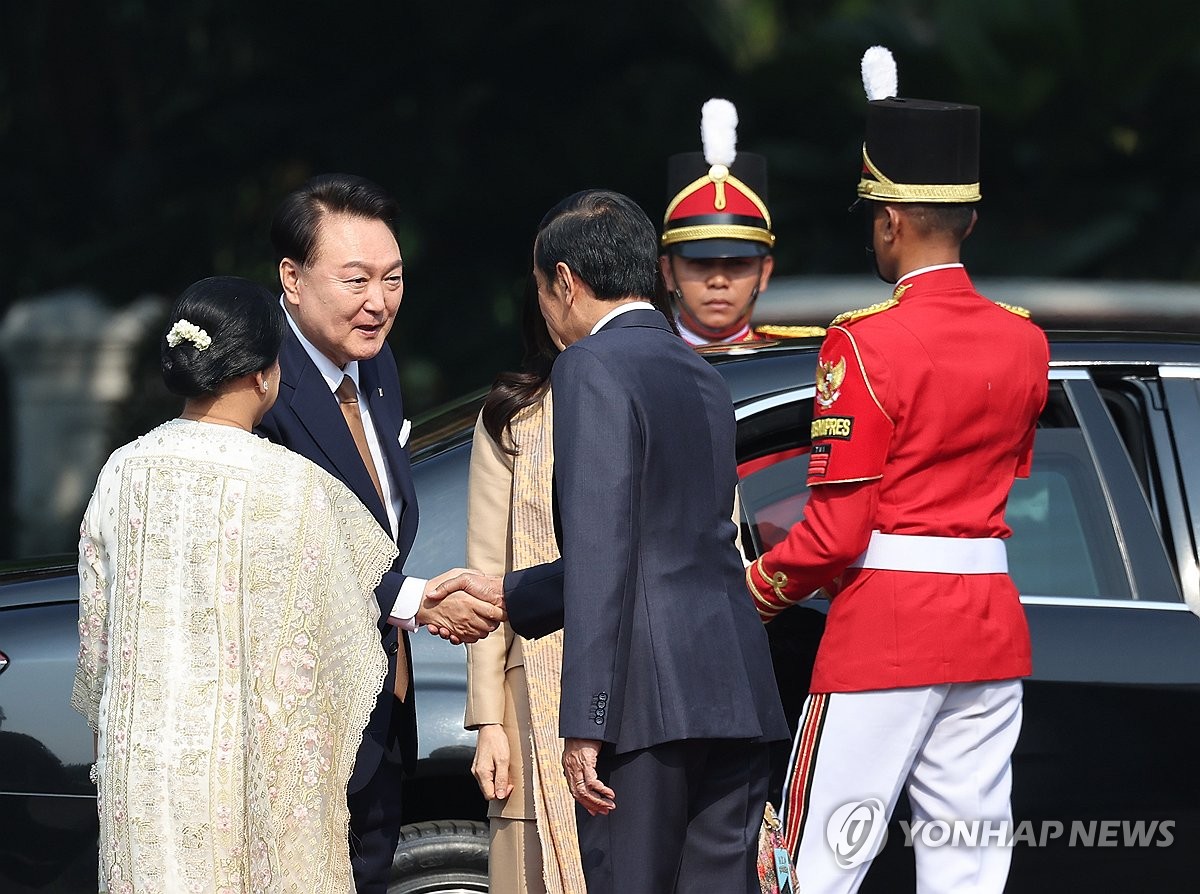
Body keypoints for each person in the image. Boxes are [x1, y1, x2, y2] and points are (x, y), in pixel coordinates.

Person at [744, 47, 1050, 893]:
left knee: (815, 869)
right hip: (988, 624)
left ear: (888, 221)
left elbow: (837, 533)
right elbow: (1003, 476)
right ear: (970, 220)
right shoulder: (1026, 340)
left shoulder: (863, 340)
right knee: (968, 872)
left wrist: (754, 589)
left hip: (887, 628)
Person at [438, 189, 790, 893]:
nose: (543, 308)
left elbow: (605, 548)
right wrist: (511, 592)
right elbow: (670, 544)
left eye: (541, 291)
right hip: (735, 690)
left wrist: (587, 720)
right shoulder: (700, 371)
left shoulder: (590, 366)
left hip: (643, 701)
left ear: (565, 282)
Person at [72, 276, 397, 893]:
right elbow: (341, 650)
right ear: (263, 374)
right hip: (252, 770)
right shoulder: (293, 485)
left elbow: (98, 640)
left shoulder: (122, 470)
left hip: (146, 769)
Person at [255, 173, 504, 893]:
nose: (379, 302)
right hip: (297, 709)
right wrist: (415, 600)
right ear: (292, 279)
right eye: (356, 280)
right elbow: (286, 549)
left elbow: (378, 512)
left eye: (393, 279)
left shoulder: (376, 362)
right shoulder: (258, 379)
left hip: (381, 703)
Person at [463, 282, 588, 894]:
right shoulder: (516, 413)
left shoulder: (680, 392)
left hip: (647, 688)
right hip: (534, 697)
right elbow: (489, 571)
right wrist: (489, 720)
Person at [660, 98, 824, 346]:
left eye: (737, 264)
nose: (718, 281)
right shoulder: (634, 367)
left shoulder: (800, 360)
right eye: (700, 263)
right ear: (668, 272)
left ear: (765, 272)